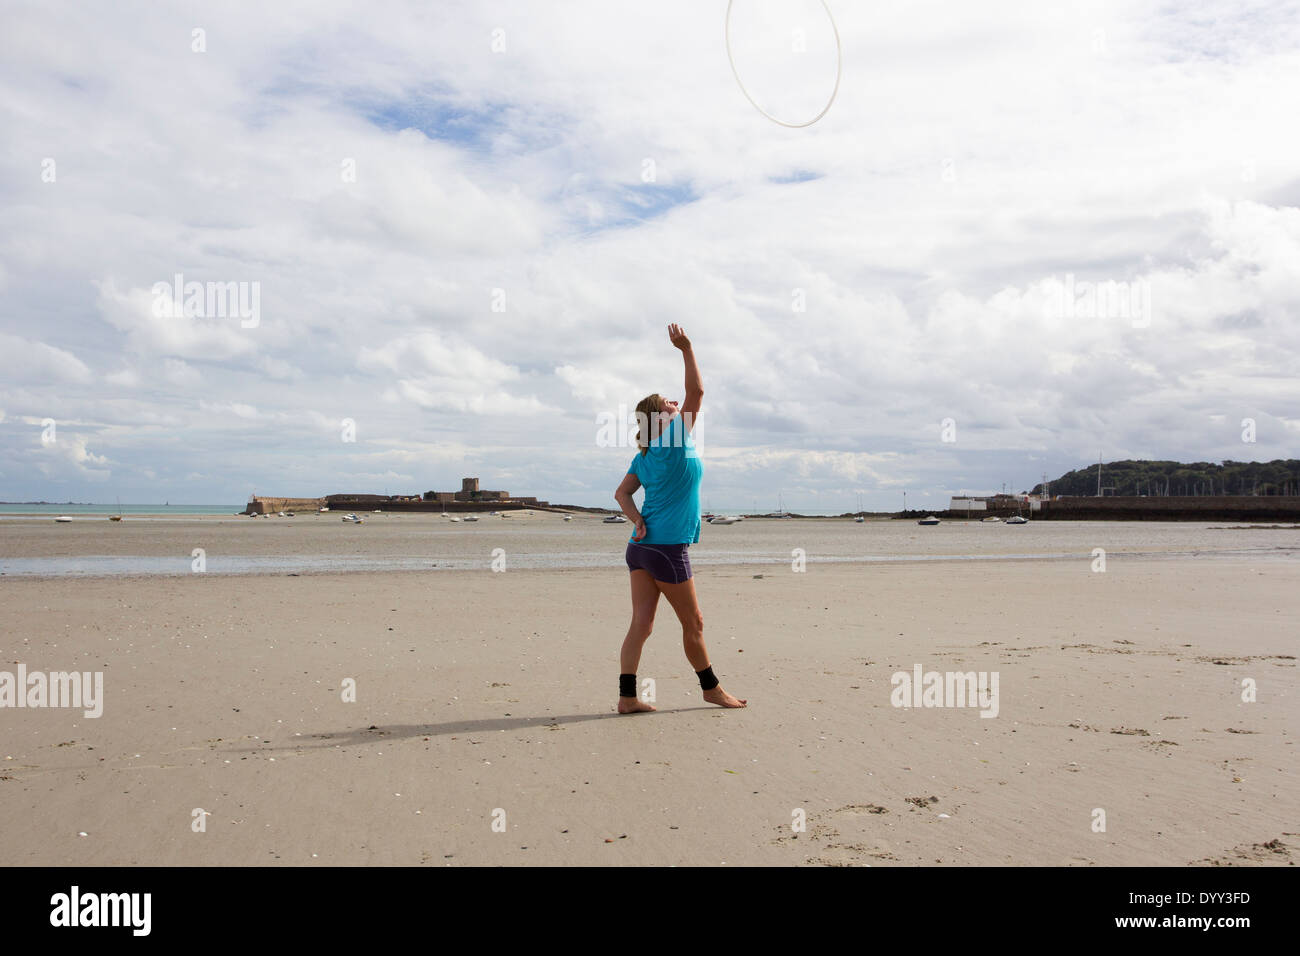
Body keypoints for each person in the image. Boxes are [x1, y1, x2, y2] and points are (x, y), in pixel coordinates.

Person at [612, 323, 746, 714]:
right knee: (695, 623)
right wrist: (686, 349)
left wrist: (636, 521)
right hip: (667, 548)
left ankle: (626, 697)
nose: (676, 402)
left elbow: (621, 494)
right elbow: (697, 392)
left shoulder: (646, 454)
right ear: (660, 417)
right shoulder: (672, 439)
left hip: (640, 548)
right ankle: (711, 689)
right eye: (667, 402)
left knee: (642, 624)